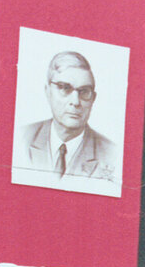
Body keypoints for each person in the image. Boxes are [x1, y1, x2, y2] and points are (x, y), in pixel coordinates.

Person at [15, 51, 120, 186]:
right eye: (65, 88)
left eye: (84, 91)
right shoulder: (21, 138)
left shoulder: (112, 154)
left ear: (93, 99)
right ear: (48, 91)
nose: (75, 101)